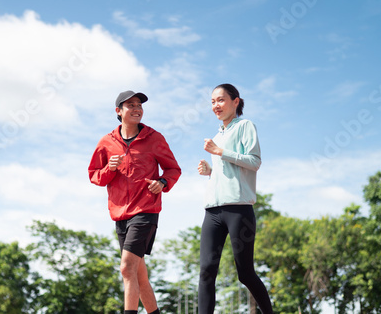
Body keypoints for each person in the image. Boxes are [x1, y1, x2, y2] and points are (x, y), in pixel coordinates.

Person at [88, 90, 181, 314]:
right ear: (118, 111)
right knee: (139, 275)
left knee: (127, 268)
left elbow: (172, 169)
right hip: (120, 213)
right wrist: (109, 168)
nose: (137, 108)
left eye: (139, 105)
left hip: (146, 210)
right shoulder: (106, 142)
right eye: (131, 105)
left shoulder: (154, 138)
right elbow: (94, 175)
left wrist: (162, 182)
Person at [197, 83, 273, 314]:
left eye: (220, 100)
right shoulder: (218, 134)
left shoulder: (245, 126)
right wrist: (211, 170)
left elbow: (254, 162)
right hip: (213, 211)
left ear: (235, 102)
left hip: (239, 211)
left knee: (245, 273)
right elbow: (231, 171)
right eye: (212, 102)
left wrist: (220, 152)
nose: (216, 106)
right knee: (206, 271)